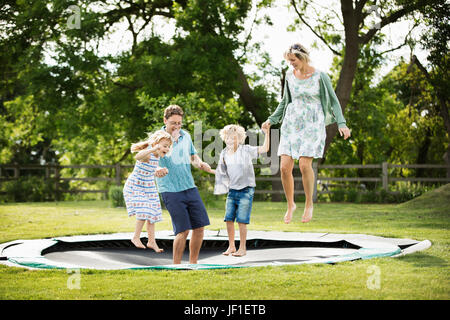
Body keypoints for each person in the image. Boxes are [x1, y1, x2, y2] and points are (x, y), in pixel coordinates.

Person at [262, 43, 351, 224]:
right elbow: (285, 101)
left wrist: (342, 123)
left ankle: (309, 203)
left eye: (293, 60)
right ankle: (291, 205)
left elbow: (334, 101)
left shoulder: (320, 76)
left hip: (312, 123)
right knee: (284, 167)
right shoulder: (289, 76)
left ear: (302, 57)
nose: (291, 64)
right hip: (291, 123)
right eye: (289, 61)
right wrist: (272, 119)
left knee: (304, 165)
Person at [154, 105, 215, 264]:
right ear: (165, 120)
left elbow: (193, 157)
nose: (177, 126)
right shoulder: (157, 138)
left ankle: (193, 264)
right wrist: (157, 169)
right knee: (183, 230)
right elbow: (149, 161)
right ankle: (176, 266)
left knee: (200, 227)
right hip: (170, 190)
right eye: (173, 123)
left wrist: (201, 163)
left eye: (179, 123)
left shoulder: (186, 136)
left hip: (189, 187)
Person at [213, 124, 270, 257]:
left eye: (234, 138)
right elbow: (221, 171)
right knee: (228, 219)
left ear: (240, 139)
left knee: (242, 220)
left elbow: (265, 148)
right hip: (232, 191)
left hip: (246, 190)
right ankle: (232, 246)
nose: (230, 141)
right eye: (228, 138)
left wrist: (267, 133)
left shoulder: (246, 150)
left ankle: (242, 248)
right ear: (224, 138)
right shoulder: (224, 153)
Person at [123, 130, 173, 252]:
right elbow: (138, 156)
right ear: (156, 143)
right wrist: (152, 148)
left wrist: (161, 170)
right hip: (136, 185)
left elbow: (152, 168)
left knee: (153, 213)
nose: (167, 149)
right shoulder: (148, 153)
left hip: (149, 186)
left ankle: (151, 241)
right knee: (145, 209)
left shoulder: (157, 157)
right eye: (165, 146)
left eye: (169, 147)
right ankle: (136, 237)